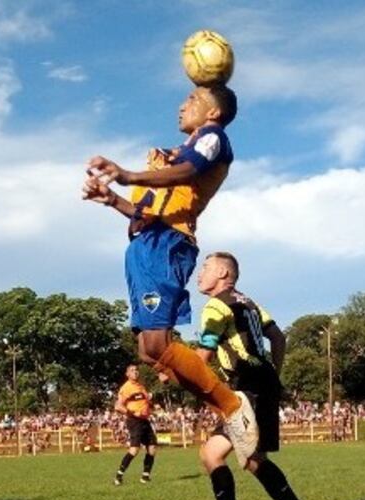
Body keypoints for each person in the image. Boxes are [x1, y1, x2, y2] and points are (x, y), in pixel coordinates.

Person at [81, 84, 258, 462]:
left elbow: (191, 170)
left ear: (213, 112)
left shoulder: (213, 139)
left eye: (192, 100)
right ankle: (225, 406)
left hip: (167, 244)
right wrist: (112, 199)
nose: (181, 106)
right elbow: (145, 213)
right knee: (147, 351)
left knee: (159, 344)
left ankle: (231, 407)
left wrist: (128, 176)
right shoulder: (174, 156)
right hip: (145, 244)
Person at [191, 252, 322, 500]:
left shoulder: (215, 305)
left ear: (223, 272)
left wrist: (175, 369)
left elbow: (203, 355)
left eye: (205, 268)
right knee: (219, 454)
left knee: (245, 458)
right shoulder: (248, 301)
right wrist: (274, 372)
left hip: (248, 387)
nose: (199, 274)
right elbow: (278, 337)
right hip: (258, 384)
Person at [113, 364, 158, 485]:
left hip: (144, 420)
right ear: (127, 374)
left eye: (136, 370)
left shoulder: (141, 386)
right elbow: (118, 406)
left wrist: (152, 405)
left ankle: (145, 477)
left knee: (152, 447)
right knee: (134, 449)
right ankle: (118, 476)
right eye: (132, 371)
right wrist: (134, 412)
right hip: (134, 420)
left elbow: (145, 402)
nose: (135, 372)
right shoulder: (126, 388)